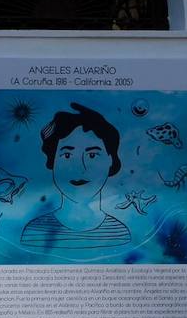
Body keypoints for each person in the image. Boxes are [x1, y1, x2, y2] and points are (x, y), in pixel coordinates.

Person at [20, 102, 130, 252]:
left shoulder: (120, 234)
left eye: (92, 155)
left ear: (111, 160)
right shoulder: (33, 233)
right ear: (52, 160)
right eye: (67, 155)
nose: (80, 167)